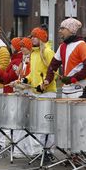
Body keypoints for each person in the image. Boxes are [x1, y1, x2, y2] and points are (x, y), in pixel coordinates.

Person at [42, 18, 86, 99]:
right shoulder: (62, 46)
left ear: (71, 30)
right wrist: (47, 80)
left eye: (62, 28)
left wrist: (72, 78)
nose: (59, 31)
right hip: (66, 90)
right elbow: (52, 66)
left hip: (79, 90)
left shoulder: (82, 45)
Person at [27, 27, 57, 158]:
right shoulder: (33, 53)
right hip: (35, 93)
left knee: (47, 124)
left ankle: (48, 151)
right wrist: (25, 79)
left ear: (41, 38)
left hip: (47, 93)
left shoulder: (48, 52)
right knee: (37, 124)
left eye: (34, 36)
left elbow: (54, 73)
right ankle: (38, 151)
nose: (32, 38)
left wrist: (43, 85)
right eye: (31, 36)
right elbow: (33, 74)